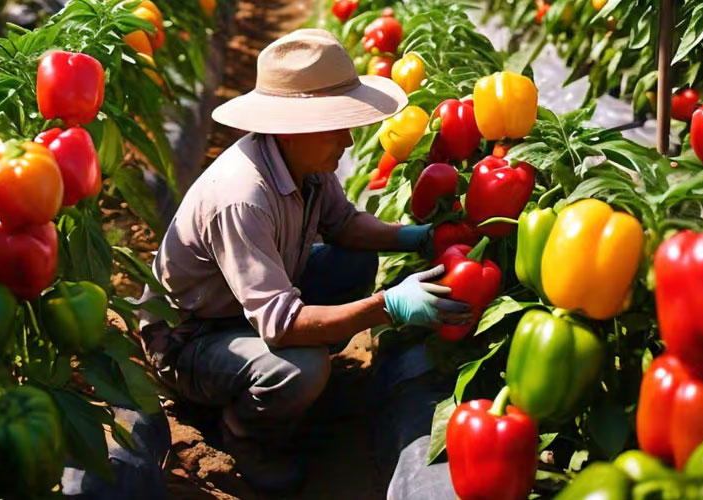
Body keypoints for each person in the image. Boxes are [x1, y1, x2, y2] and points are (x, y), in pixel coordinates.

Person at [137, 28, 471, 494]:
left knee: (353, 264)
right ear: (295, 130)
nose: (350, 142)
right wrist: (387, 307)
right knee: (301, 367)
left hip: (242, 309)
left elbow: (344, 225)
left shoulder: (302, 162)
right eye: (339, 126)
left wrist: (419, 239)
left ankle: (290, 392)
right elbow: (281, 323)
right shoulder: (243, 198)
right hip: (190, 339)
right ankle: (246, 436)